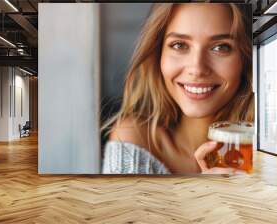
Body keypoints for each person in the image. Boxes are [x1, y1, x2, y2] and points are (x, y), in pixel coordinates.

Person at [101, 3, 254, 174]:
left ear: (246, 58)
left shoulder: (272, 146)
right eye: (179, 45)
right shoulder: (133, 138)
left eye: (220, 47)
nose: (197, 69)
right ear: (158, 53)